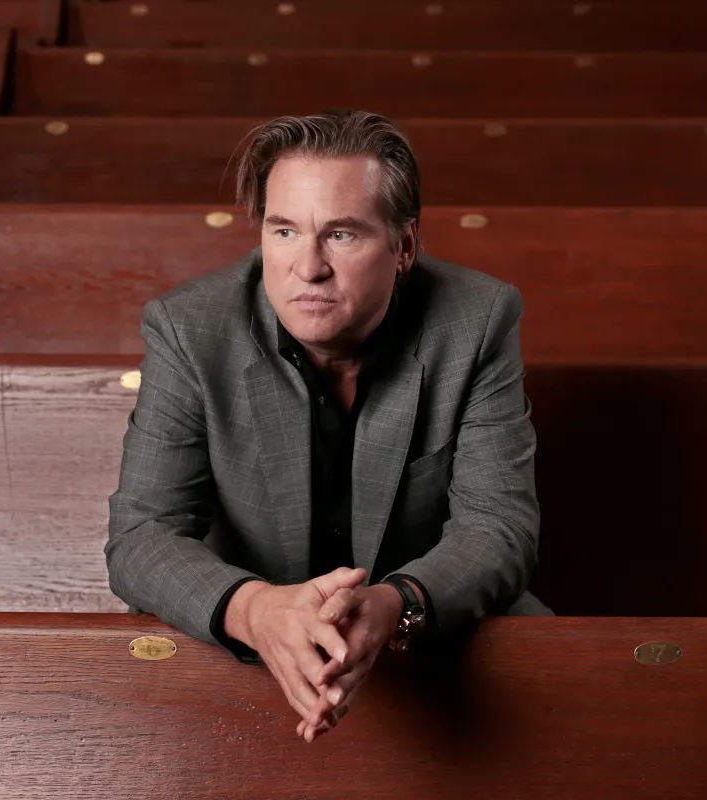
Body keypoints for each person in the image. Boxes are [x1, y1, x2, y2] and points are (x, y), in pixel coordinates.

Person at [106, 109, 547, 744]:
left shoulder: (477, 319)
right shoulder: (190, 328)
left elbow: (499, 528)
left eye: (341, 235)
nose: (308, 267)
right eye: (284, 231)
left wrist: (397, 604)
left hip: (427, 638)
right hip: (241, 644)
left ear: (404, 247)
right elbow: (142, 534)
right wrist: (255, 609)